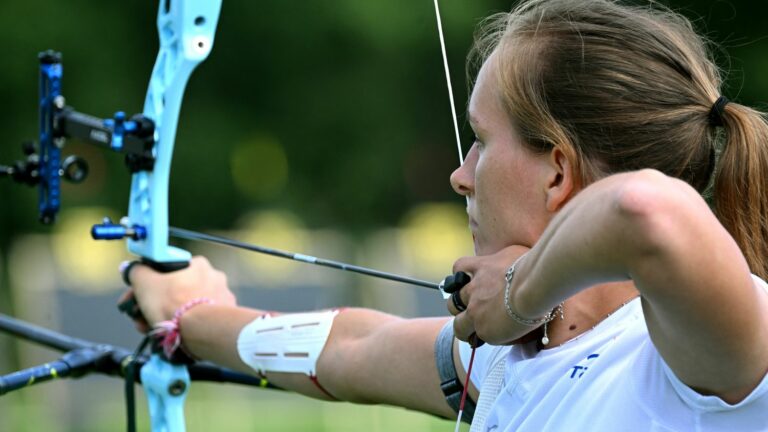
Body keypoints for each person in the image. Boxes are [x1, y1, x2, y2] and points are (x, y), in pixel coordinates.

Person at [124, 0, 768, 430]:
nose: (461, 173)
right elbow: (353, 348)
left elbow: (644, 209)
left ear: (556, 171)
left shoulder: (698, 352)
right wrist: (190, 316)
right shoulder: (508, 357)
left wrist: (517, 293)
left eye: (482, 140)